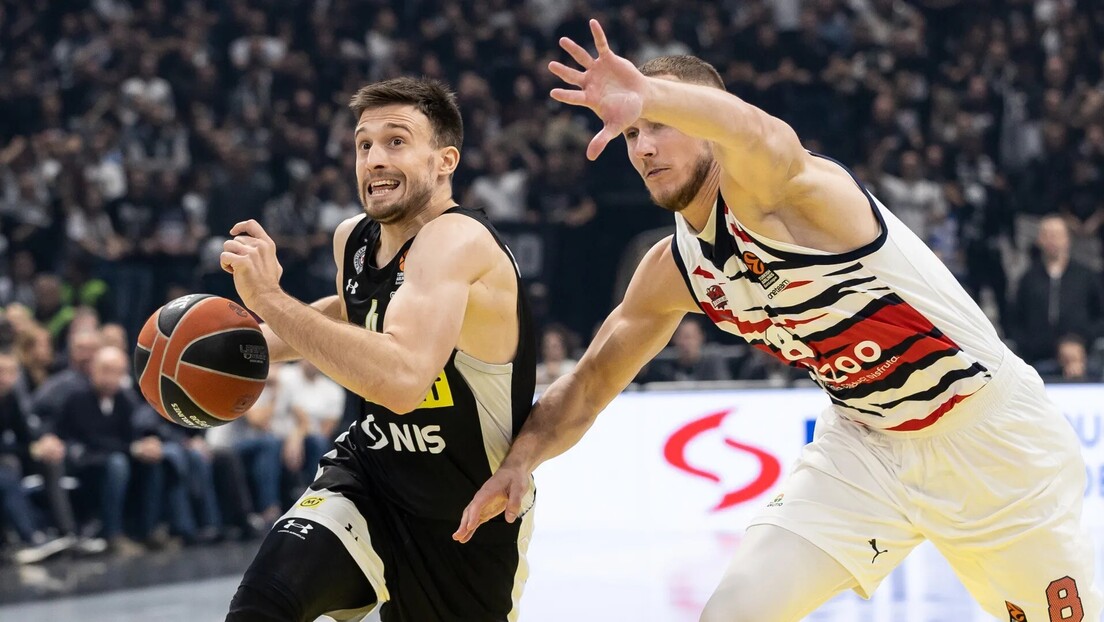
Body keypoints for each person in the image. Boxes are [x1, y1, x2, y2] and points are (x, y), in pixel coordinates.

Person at [455, 21, 1101, 622]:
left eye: (660, 125)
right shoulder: (673, 269)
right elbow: (591, 382)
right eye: (631, 134)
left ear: (706, 122)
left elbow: (755, 130)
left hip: (985, 438)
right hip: (865, 449)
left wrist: (650, 92)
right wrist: (521, 461)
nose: (644, 146)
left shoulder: (787, 193)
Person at [221, 76, 536, 622]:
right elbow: (350, 310)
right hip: (369, 477)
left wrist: (269, 298)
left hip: (465, 509)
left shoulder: (458, 240)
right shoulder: (354, 238)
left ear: (445, 161)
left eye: (396, 141)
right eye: (363, 144)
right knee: (262, 605)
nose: (374, 159)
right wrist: (246, 350)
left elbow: (402, 381)